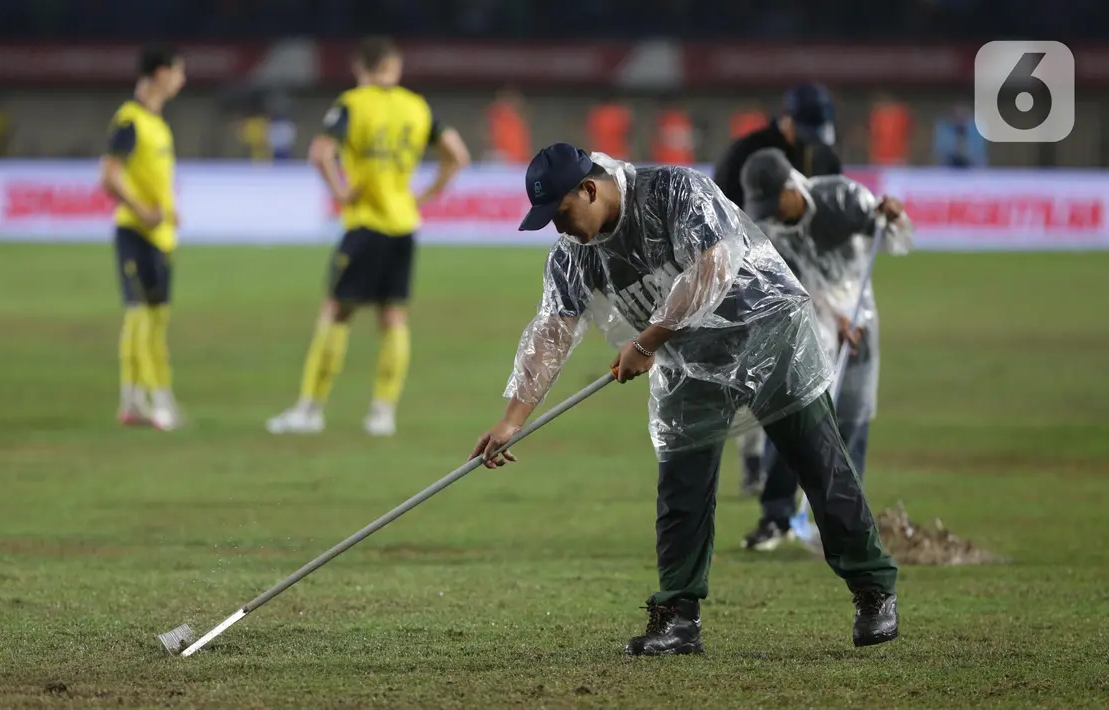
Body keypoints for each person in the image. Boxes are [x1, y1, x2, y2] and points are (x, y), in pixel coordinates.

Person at [469, 142, 899, 656]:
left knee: (821, 465)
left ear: (588, 189)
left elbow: (713, 265)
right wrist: (512, 420)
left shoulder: (675, 190)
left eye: (560, 215)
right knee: (681, 485)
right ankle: (677, 615)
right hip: (687, 361)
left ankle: (874, 589)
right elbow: (552, 330)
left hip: (768, 335)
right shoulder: (574, 254)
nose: (559, 230)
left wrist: (647, 340)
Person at [266, 37, 470, 437]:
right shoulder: (416, 106)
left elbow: (319, 152)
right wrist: (425, 195)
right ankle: (382, 413)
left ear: (360, 67)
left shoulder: (352, 104)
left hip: (365, 225)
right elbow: (458, 155)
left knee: (336, 312)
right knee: (393, 317)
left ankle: (309, 410)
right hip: (404, 225)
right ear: (394, 65)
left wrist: (340, 192)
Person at [736, 148, 913, 550]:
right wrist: (833, 315)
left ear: (791, 186)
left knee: (853, 417)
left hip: (860, 324)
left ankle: (845, 521)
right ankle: (776, 516)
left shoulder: (843, 199)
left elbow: (896, 237)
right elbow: (792, 286)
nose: (772, 213)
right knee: (791, 414)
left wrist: (893, 215)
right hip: (808, 323)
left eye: (773, 202)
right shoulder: (774, 231)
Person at [712, 81, 844, 497]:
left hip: (809, 278)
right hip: (751, 278)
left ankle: (802, 467)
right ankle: (753, 459)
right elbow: (719, 213)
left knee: (812, 368)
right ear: (786, 120)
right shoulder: (744, 153)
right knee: (752, 373)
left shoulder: (824, 155)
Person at [101, 45, 187, 431]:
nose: (182, 80)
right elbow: (109, 174)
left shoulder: (159, 124)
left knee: (155, 318)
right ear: (160, 73)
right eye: (178, 72)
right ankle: (146, 399)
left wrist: (168, 210)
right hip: (135, 232)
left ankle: (141, 398)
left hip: (162, 237)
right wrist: (141, 210)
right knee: (138, 313)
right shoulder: (130, 120)